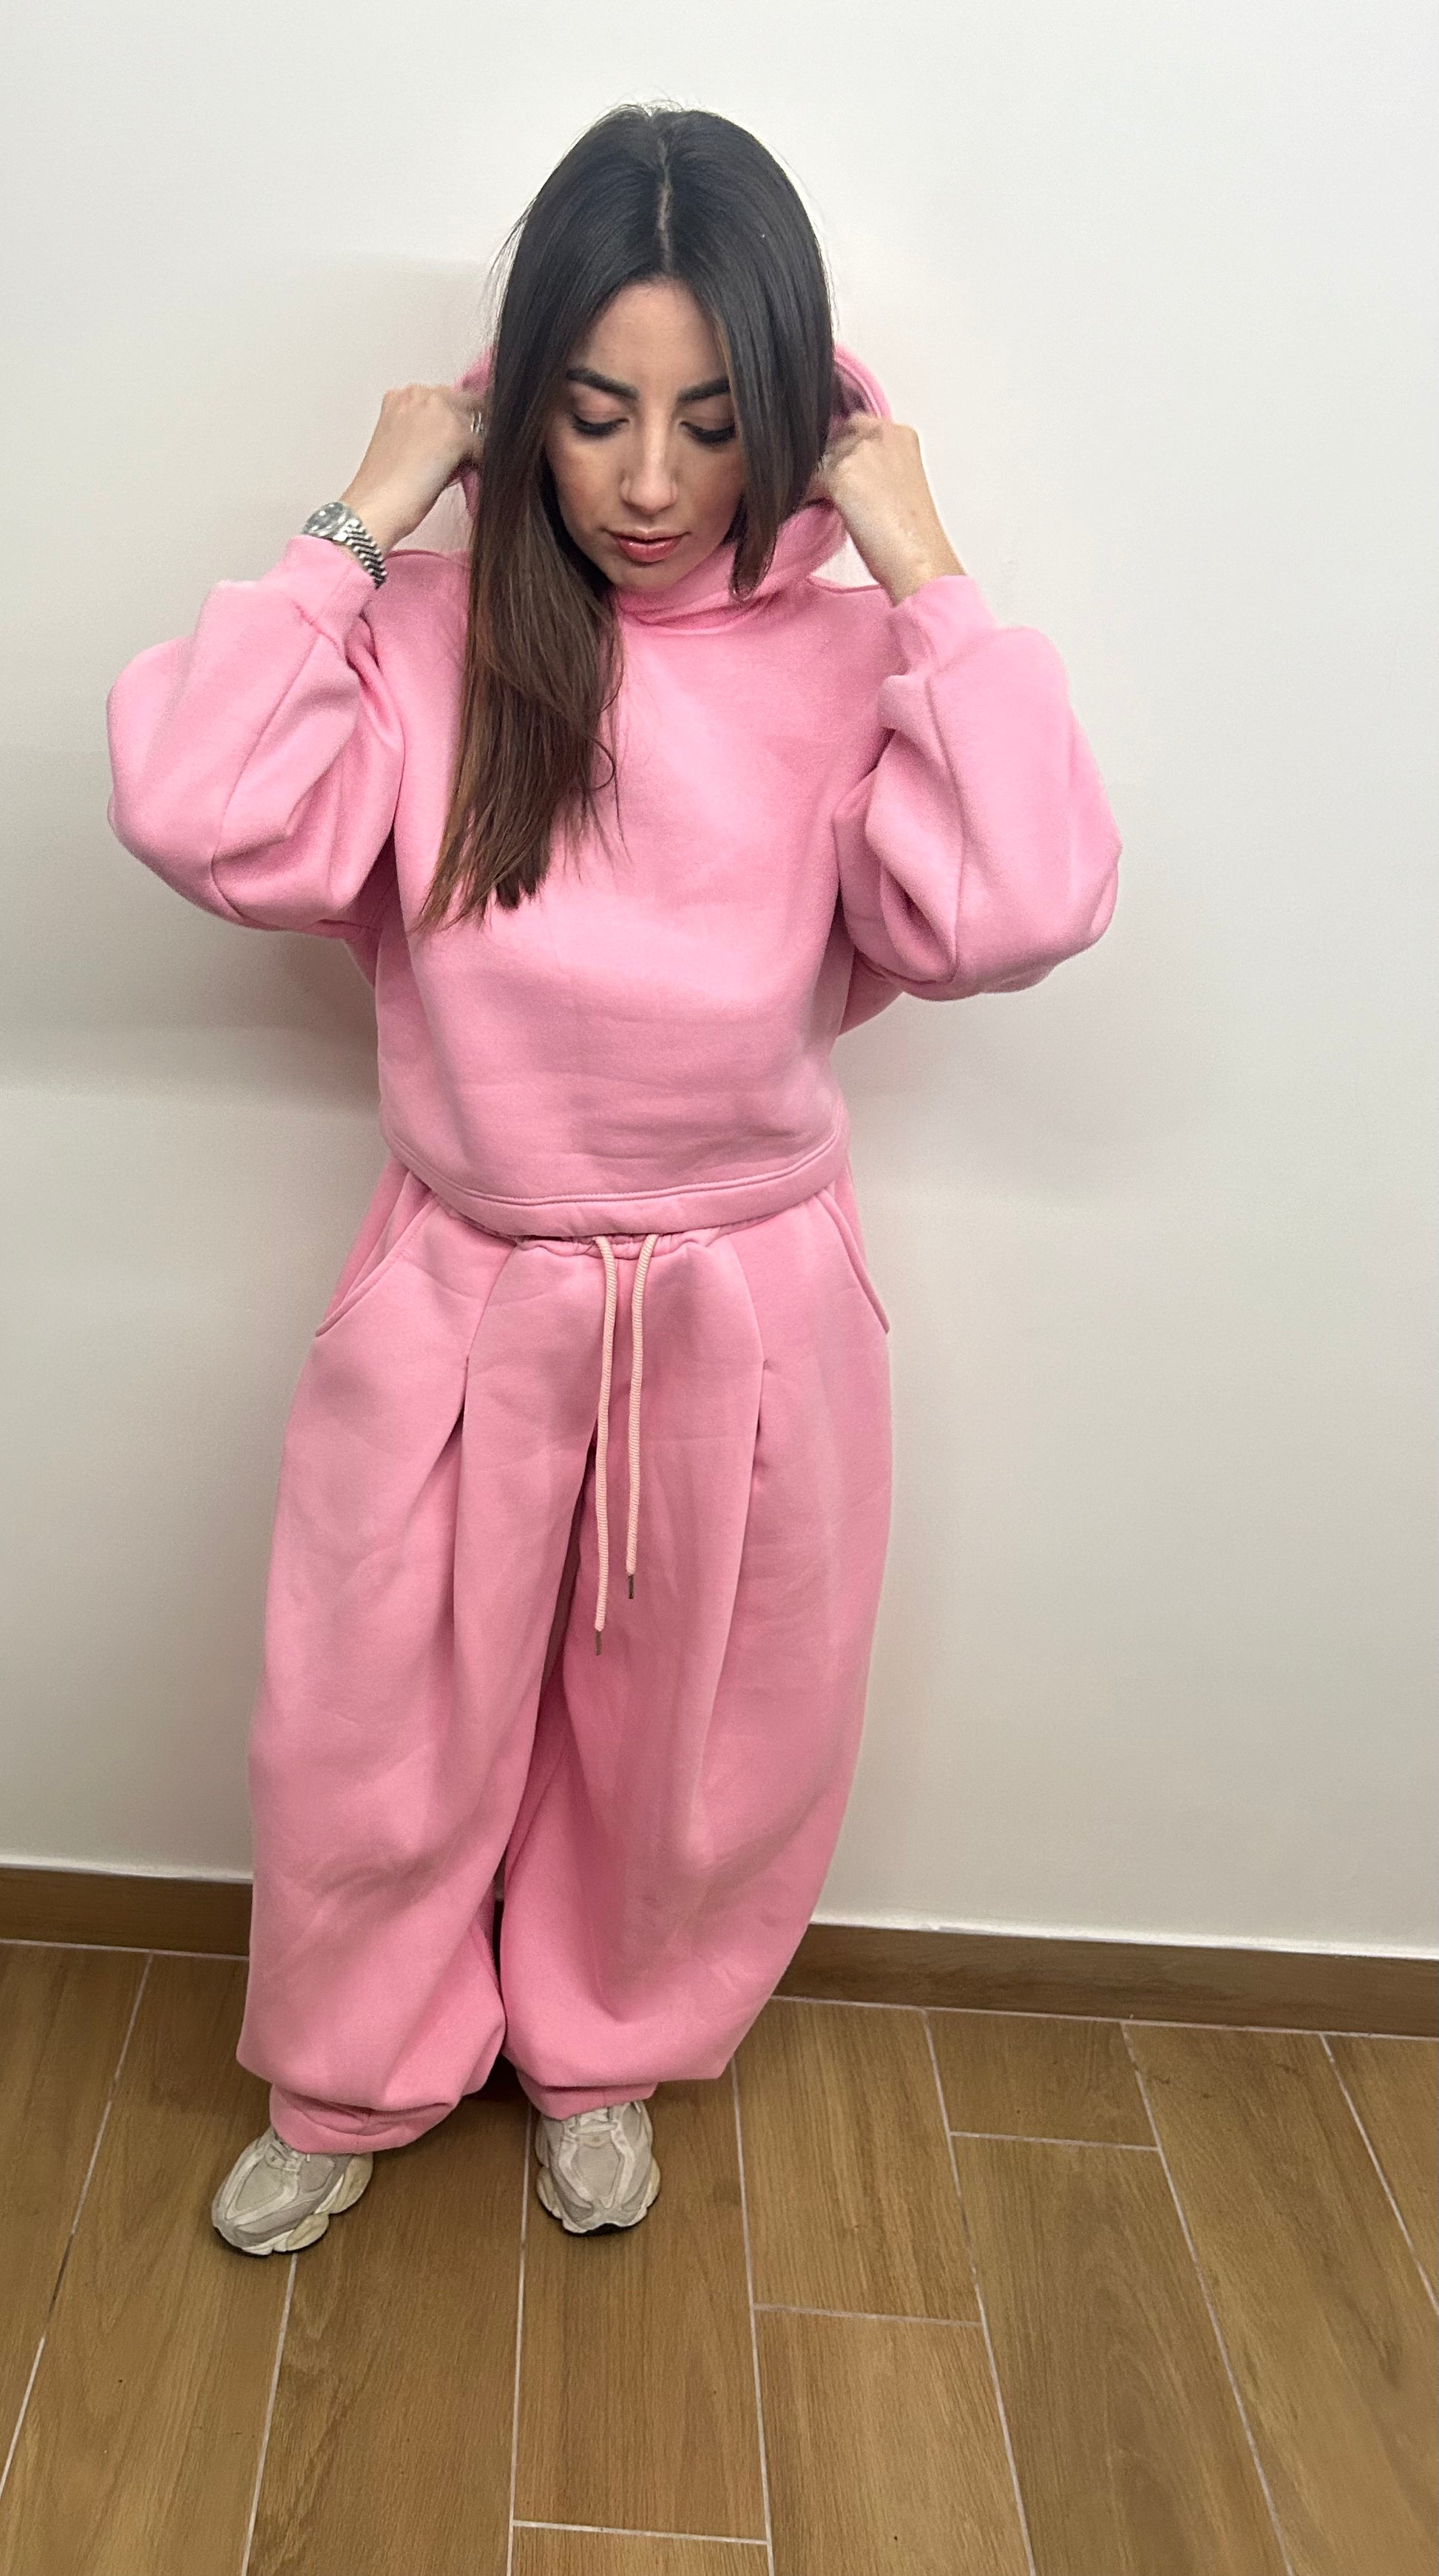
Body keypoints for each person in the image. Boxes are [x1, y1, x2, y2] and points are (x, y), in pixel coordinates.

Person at [104, 102, 1121, 2255]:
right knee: (373, 1718)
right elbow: (200, 809)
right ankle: (354, 2064)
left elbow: (1026, 899)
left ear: (793, 414)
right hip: (464, 1272)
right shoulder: (429, 636)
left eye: (711, 421)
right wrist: (362, 514)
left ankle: (604, 2050)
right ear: (520, 404)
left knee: (700, 1737)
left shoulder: (856, 663)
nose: (650, 482)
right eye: (591, 414)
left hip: (749, 1289)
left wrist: (926, 568)